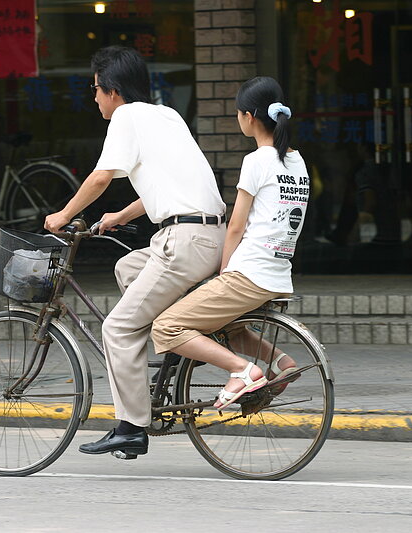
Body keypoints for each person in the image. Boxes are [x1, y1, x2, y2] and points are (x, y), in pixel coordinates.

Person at [44, 46, 226, 458]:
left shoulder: (126, 117)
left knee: (117, 329)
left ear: (112, 89)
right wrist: (120, 214)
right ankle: (161, 344)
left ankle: (130, 427)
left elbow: (100, 176)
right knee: (129, 265)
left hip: (183, 242)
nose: (94, 98)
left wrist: (63, 214)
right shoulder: (166, 115)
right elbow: (173, 184)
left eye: (95, 89)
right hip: (205, 236)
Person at [151, 76, 309, 410]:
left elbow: (235, 226)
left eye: (238, 114)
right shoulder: (298, 162)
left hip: (249, 272)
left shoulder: (257, 160)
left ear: (249, 117)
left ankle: (242, 371)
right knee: (227, 327)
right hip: (278, 274)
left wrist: (224, 271)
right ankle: (280, 362)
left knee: (166, 327)